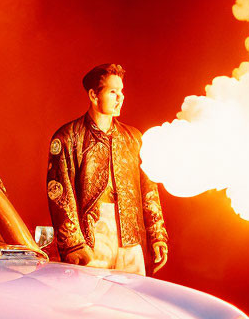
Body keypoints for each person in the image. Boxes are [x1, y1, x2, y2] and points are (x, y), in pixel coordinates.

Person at [46, 64, 168, 275]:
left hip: (130, 232)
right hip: (92, 236)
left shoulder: (134, 139)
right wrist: (74, 245)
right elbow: (60, 194)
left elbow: (149, 190)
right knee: (92, 301)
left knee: (132, 301)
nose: (120, 97)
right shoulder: (68, 137)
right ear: (94, 95)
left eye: (121, 91)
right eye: (113, 92)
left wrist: (157, 235)